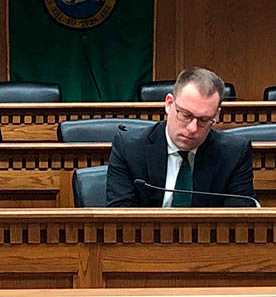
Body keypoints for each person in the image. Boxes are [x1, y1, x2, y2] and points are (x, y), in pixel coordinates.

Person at [106, 66, 255, 207]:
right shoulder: (129, 148)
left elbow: (239, 220)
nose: (192, 128)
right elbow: (121, 215)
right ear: (169, 104)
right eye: (185, 115)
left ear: (216, 115)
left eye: (203, 120)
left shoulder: (234, 154)